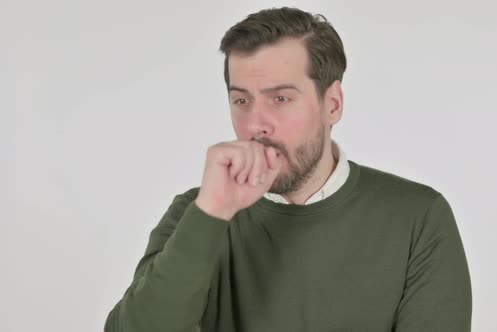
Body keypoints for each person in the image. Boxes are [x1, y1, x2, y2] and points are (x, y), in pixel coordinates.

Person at [104, 6, 472, 332]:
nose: (255, 125)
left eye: (280, 99)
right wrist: (211, 214)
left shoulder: (417, 216)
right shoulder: (197, 213)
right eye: (241, 100)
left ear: (332, 104)